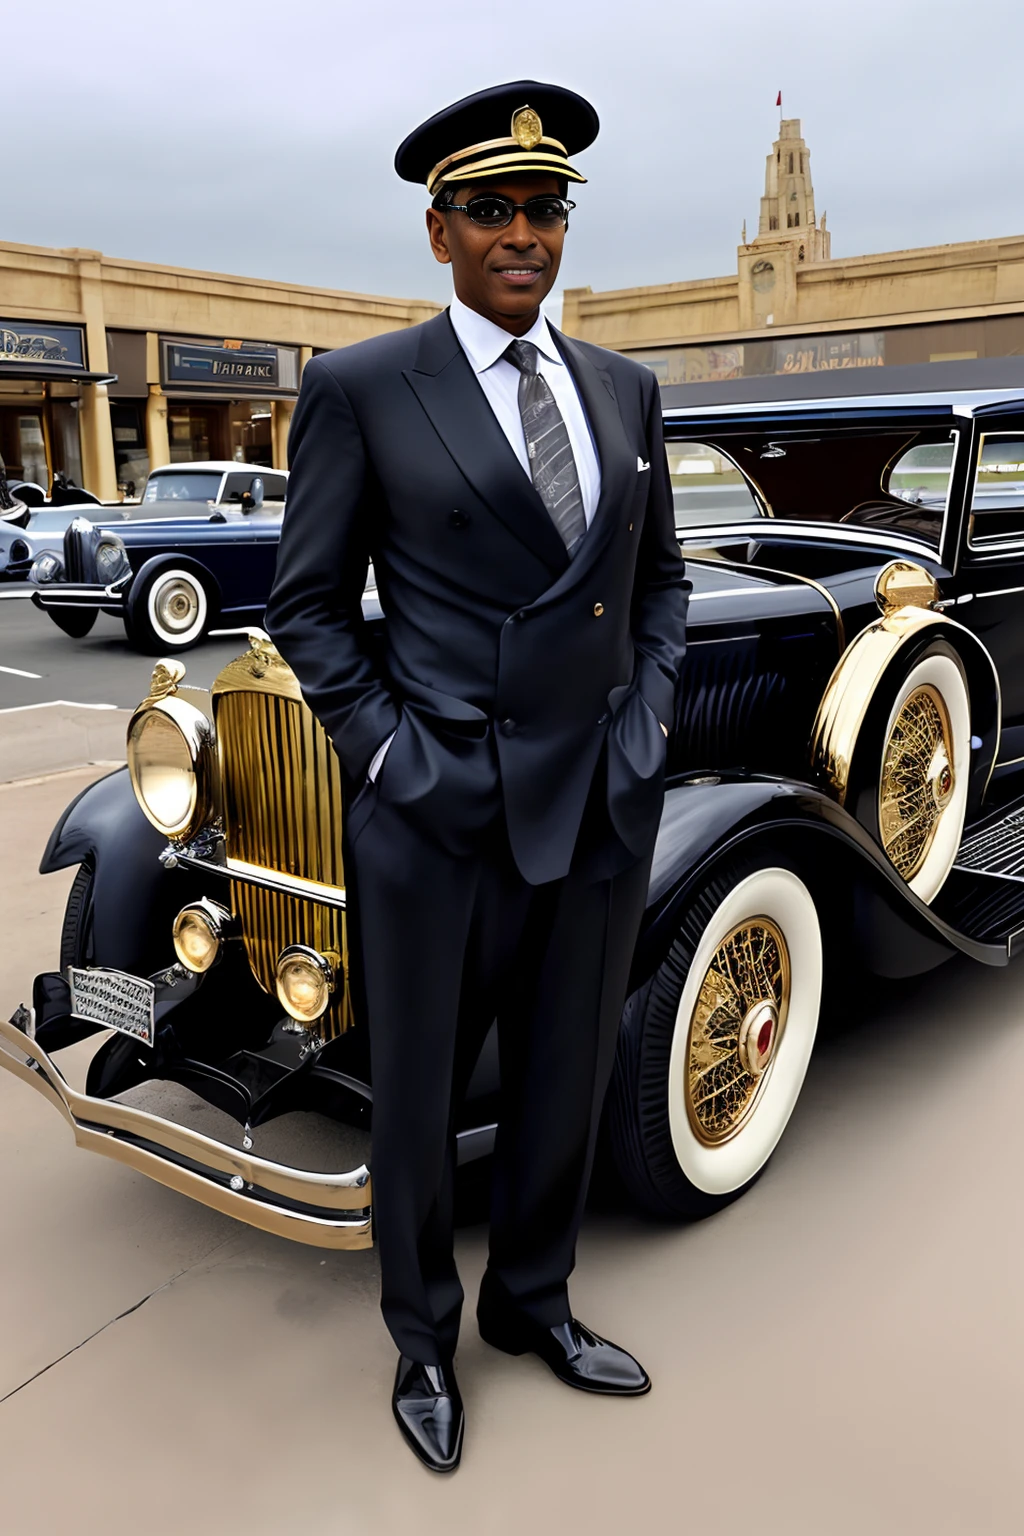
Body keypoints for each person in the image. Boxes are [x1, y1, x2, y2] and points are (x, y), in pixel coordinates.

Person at [265, 79, 690, 1474]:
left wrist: (644, 742)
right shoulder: (365, 386)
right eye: (492, 210)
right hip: (439, 813)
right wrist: (391, 755)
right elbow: (314, 607)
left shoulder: (624, 389)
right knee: (423, 1097)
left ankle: (533, 1306)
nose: (525, 233)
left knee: (565, 1081)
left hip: (595, 810)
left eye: (546, 209)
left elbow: (662, 592)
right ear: (438, 233)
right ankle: (421, 1342)